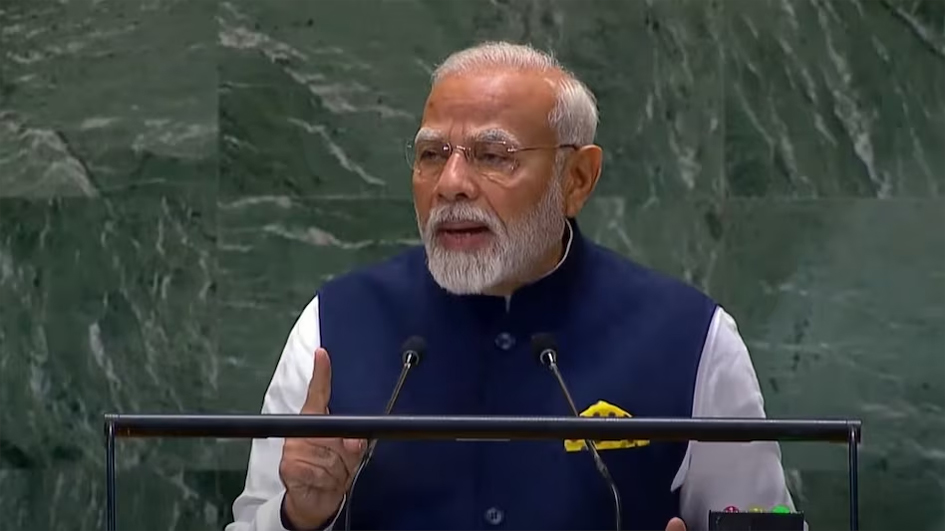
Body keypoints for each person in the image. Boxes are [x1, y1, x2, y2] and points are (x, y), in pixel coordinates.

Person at [225, 41, 798, 531]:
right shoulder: (334, 326)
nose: (451, 183)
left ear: (577, 179)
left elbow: (759, 518)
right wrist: (301, 515)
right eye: (431, 155)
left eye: (493, 156)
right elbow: (252, 521)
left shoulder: (692, 339)